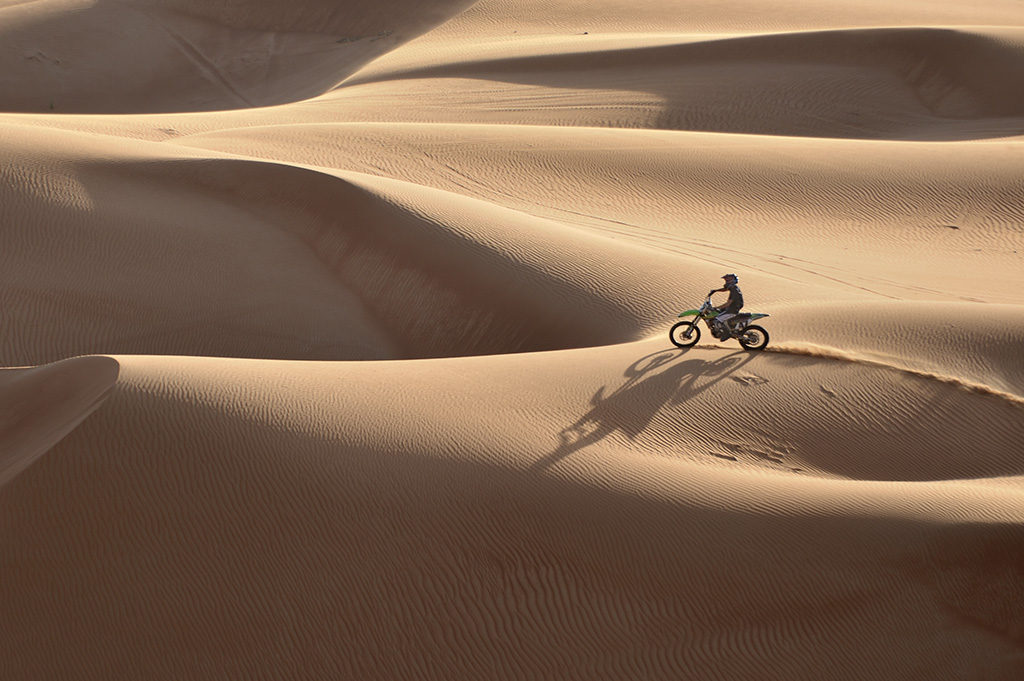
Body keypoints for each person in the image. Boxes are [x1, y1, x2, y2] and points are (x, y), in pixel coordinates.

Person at [709, 273, 744, 339]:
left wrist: (717, 308)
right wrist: (715, 290)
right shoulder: (733, 287)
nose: (726, 282)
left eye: (727, 280)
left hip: (732, 309)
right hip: (731, 308)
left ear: (732, 280)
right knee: (717, 315)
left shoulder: (734, 290)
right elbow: (725, 289)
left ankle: (727, 334)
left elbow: (728, 303)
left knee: (717, 320)